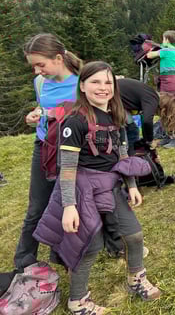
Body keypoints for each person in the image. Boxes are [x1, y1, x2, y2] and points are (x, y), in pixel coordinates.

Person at [33, 61, 160, 314]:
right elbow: (67, 168)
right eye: (95, 82)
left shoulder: (118, 117)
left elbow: (123, 155)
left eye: (108, 82)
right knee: (88, 245)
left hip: (111, 186)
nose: (103, 88)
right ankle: (77, 301)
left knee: (133, 235)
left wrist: (131, 185)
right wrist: (69, 206)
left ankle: (136, 279)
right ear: (82, 86)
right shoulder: (75, 121)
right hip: (81, 189)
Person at [14, 33, 83, 269]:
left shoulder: (82, 82)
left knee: (71, 202)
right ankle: (24, 261)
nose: (37, 71)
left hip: (74, 150)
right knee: (36, 207)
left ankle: (66, 253)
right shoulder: (40, 82)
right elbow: (43, 107)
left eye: (40, 65)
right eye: (33, 66)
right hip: (44, 147)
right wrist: (35, 116)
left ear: (58, 58)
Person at [117, 78, 175, 153]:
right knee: (132, 131)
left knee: (132, 129)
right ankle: (131, 155)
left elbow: (144, 120)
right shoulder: (153, 99)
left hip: (118, 98)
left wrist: (146, 140)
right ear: (164, 109)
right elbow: (147, 121)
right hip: (114, 98)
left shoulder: (151, 95)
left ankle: (132, 153)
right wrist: (150, 141)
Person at [146, 30, 175, 95]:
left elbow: (149, 55)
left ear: (167, 40)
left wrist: (150, 49)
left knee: (163, 100)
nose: (162, 41)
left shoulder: (165, 51)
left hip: (167, 82)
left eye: (163, 39)